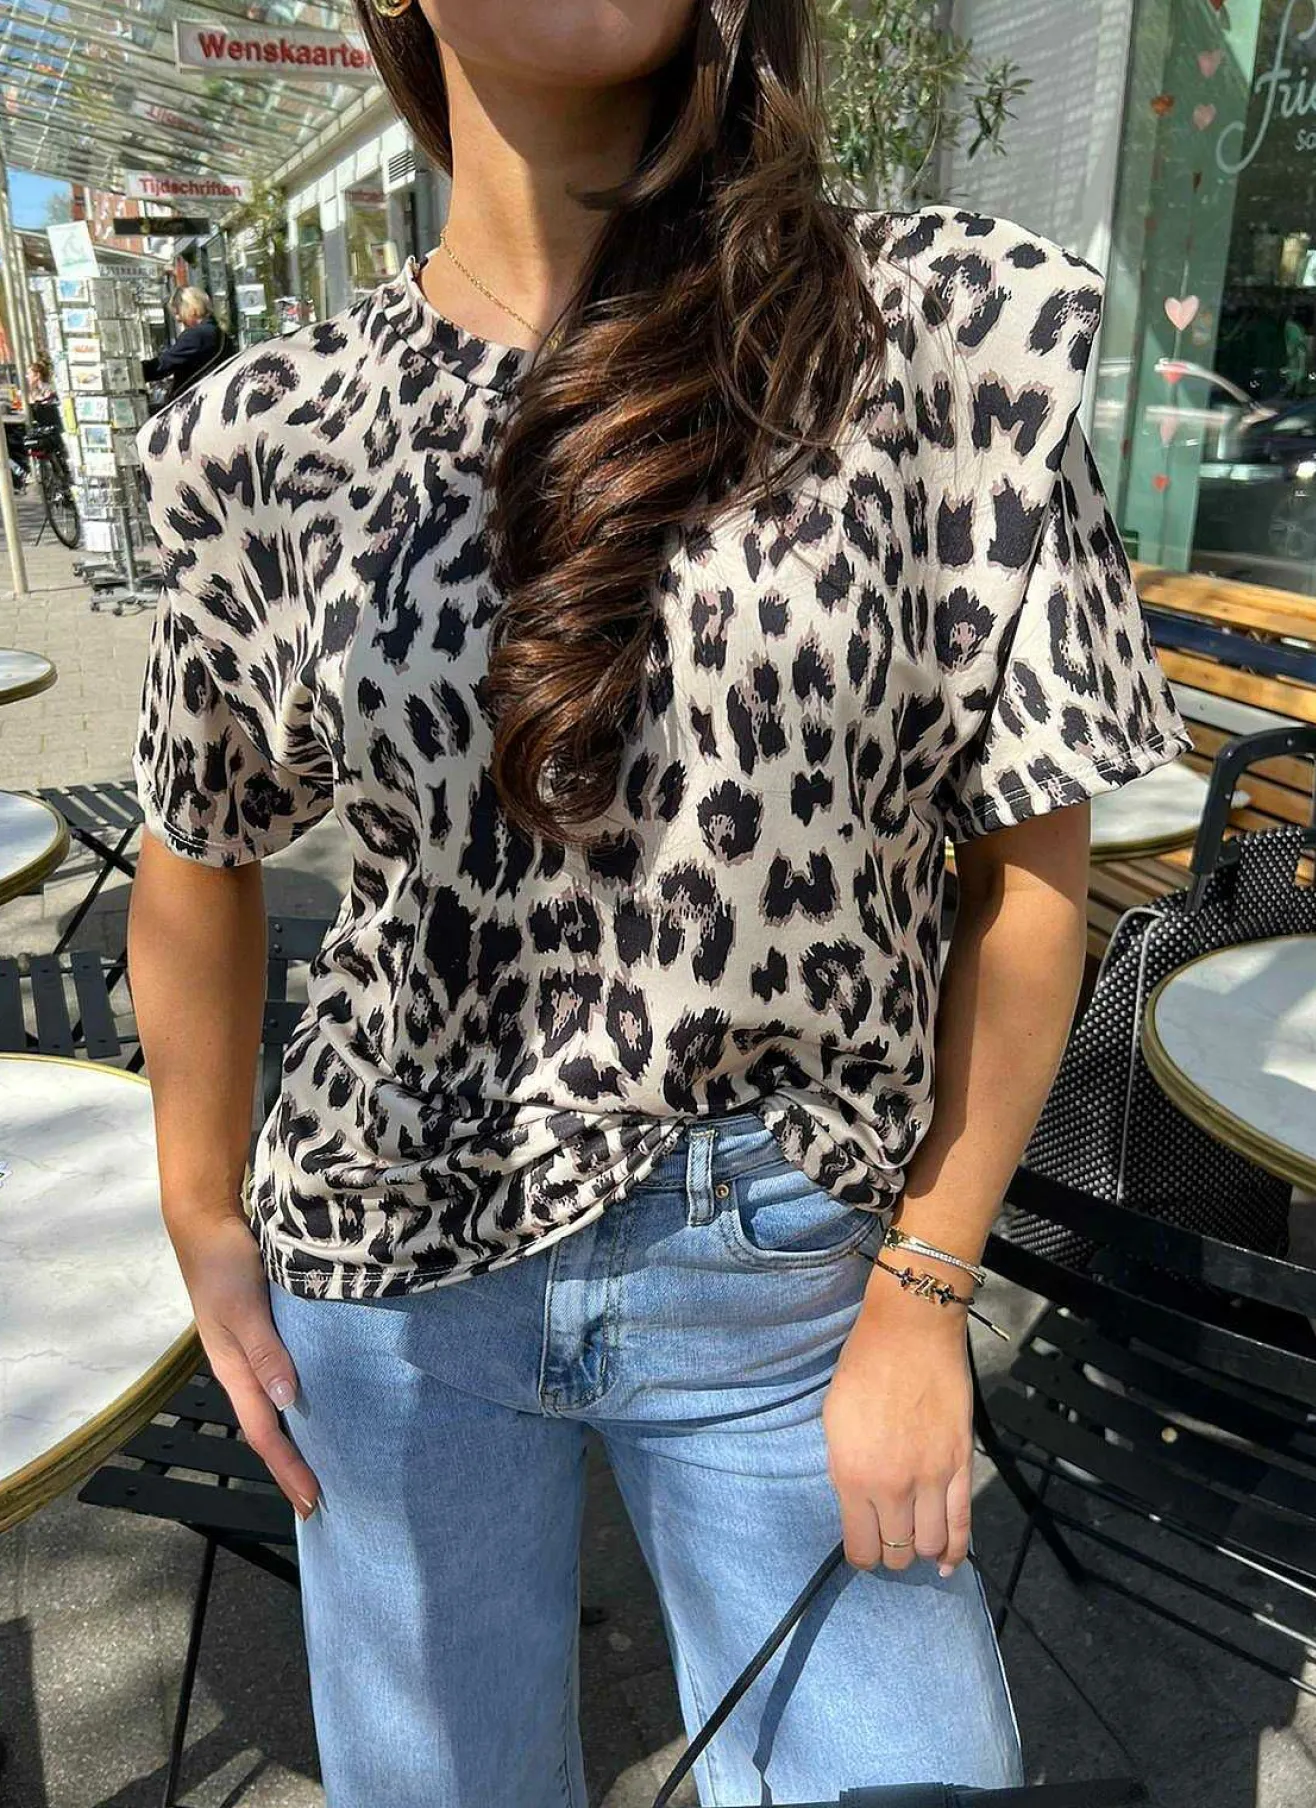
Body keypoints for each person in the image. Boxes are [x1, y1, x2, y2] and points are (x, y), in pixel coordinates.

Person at [126, 3, 1193, 1804]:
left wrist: (930, 1287)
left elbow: (1029, 864)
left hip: (791, 1273)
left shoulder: (937, 333)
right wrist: (198, 1203)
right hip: (392, 1275)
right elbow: (194, 828)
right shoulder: (265, 430)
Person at [141, 286, 223, 398]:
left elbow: (164, 365)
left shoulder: (196, 335)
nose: (178, 319)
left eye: (178, 313)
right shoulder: (218, 333)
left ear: (192, 308)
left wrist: (135, 371)